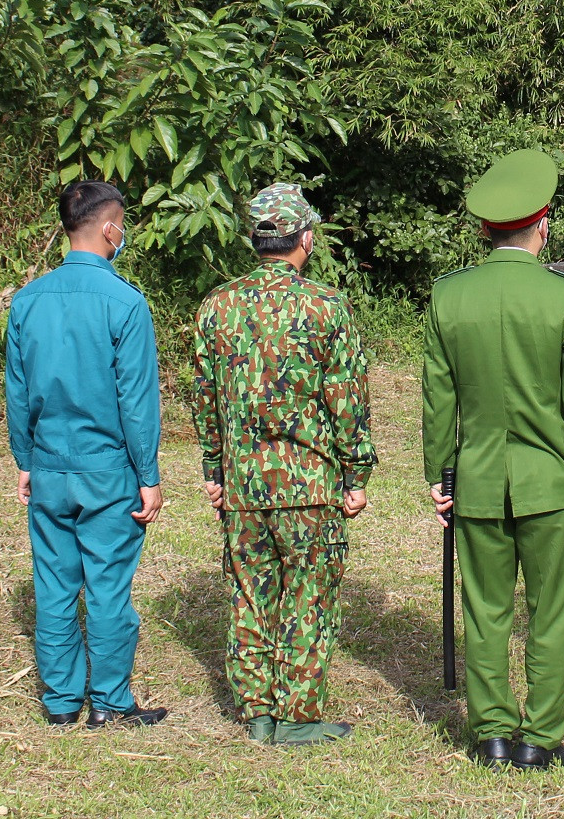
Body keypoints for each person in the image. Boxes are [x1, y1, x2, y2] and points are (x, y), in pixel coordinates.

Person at [423, 149, 564, 771]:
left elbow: (438, 398)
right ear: (544, 222)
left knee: (486, 609)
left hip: (475, 479)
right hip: (551, 483)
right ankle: (541, 736)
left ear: (484, 229)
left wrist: (438, 472)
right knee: (553, 610)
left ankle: (493, 734)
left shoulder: (448, 298)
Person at [191, 183, 374, 747]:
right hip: (310, 485)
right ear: (306, 240)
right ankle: (297, 715)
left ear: (255, 239)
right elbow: (346, 398)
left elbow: (204, 398)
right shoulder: (326, 307)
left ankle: (257, 712)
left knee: (251, 593)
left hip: (245, 486)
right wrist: (356, 474)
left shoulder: (216, 307)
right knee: (309, 598)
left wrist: (216, 471)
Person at [6, 180, 165, 729]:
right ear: (110, 229)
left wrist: (24, 460)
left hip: (50, 466)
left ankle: (60, 701)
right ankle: (112, 701)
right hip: (107, 472)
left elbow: (18, 390)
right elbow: (136, 402)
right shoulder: (126, 303)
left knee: (53, 586)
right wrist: (149, 474)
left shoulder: (27, 300)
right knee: (107, 588)